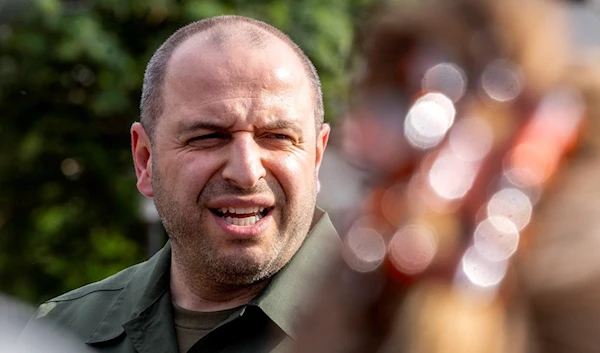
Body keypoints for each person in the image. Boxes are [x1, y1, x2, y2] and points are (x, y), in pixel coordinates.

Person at [20, 15, 337, 353]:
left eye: (277, 137)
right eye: (207, 137)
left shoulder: (390, 329)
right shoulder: (59, 335)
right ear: (145, 160)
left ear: (317, 157)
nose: (246, 172)